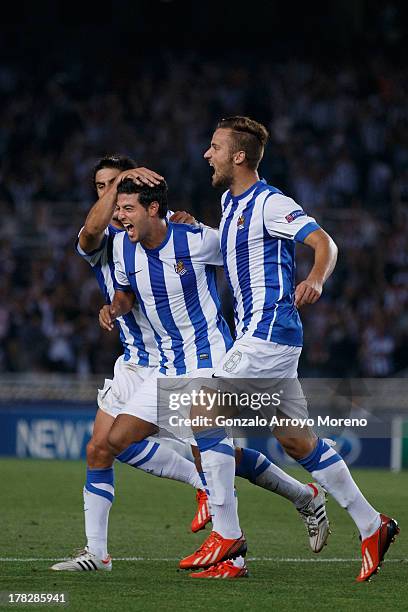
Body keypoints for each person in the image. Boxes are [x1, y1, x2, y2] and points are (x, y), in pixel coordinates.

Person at [100, 177, 330, 580]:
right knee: (118, 440)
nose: (119, 217)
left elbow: (242, 255)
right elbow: (125, 292)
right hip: (168, 367)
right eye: (118, 210)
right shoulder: (121, 246)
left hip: (209, 360)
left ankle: (234, 555)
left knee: (211, 453)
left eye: (127, 208)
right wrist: (115, 307)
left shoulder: (195, 240)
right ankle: (303, 495)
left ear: (154, 210)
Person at [201, 115, 399, 582]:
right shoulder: (230, 206)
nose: (207, 154)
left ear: (239, 155)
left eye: (215, 146)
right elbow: (228, 253)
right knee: (295, 440)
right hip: (266, 337)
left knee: (200, 412)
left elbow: (324, 243)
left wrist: (314, 278)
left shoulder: (270, 203)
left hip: (268, 333)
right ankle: (372, 524)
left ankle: (228, 541)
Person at [51, 156, 209, 572]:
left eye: (118, 190)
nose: (111, 198)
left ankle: (297, 497)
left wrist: (183, 223)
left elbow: (184, 245)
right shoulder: (106, 239)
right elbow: (91, 233)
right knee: (100, 449)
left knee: (213, 453)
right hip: (134, 360)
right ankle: (97, 553)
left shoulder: (149, 229)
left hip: (173, 359)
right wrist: (114, 307)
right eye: (102, 189)